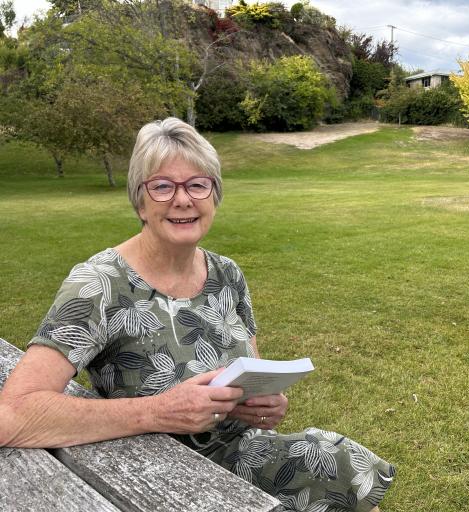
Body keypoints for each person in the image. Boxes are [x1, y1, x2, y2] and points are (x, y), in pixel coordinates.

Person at [0, 118, 395, 511]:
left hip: (240, 454)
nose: (183, 199)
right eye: (162, 186)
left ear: (214, 196)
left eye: (197, 184)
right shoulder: (99, 285)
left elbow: (248, 374)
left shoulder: (227, 275)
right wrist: (158, 411)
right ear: (139, 200)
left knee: (334, 458)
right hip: (157, 470)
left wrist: (262, 405)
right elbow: (15, 413)